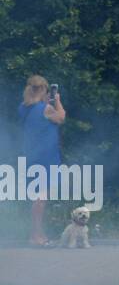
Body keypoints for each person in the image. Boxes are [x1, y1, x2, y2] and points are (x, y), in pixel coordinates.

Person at [17, 75, 65, 246]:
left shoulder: (23, 107)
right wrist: (57, 100)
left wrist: (45, 102)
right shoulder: (44, 108)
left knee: (39, 197)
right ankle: (35, 236)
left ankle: (39, 234)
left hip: (33, 154)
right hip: (46, 157)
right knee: (41, 197)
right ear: (43, 89)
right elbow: (61, 117)